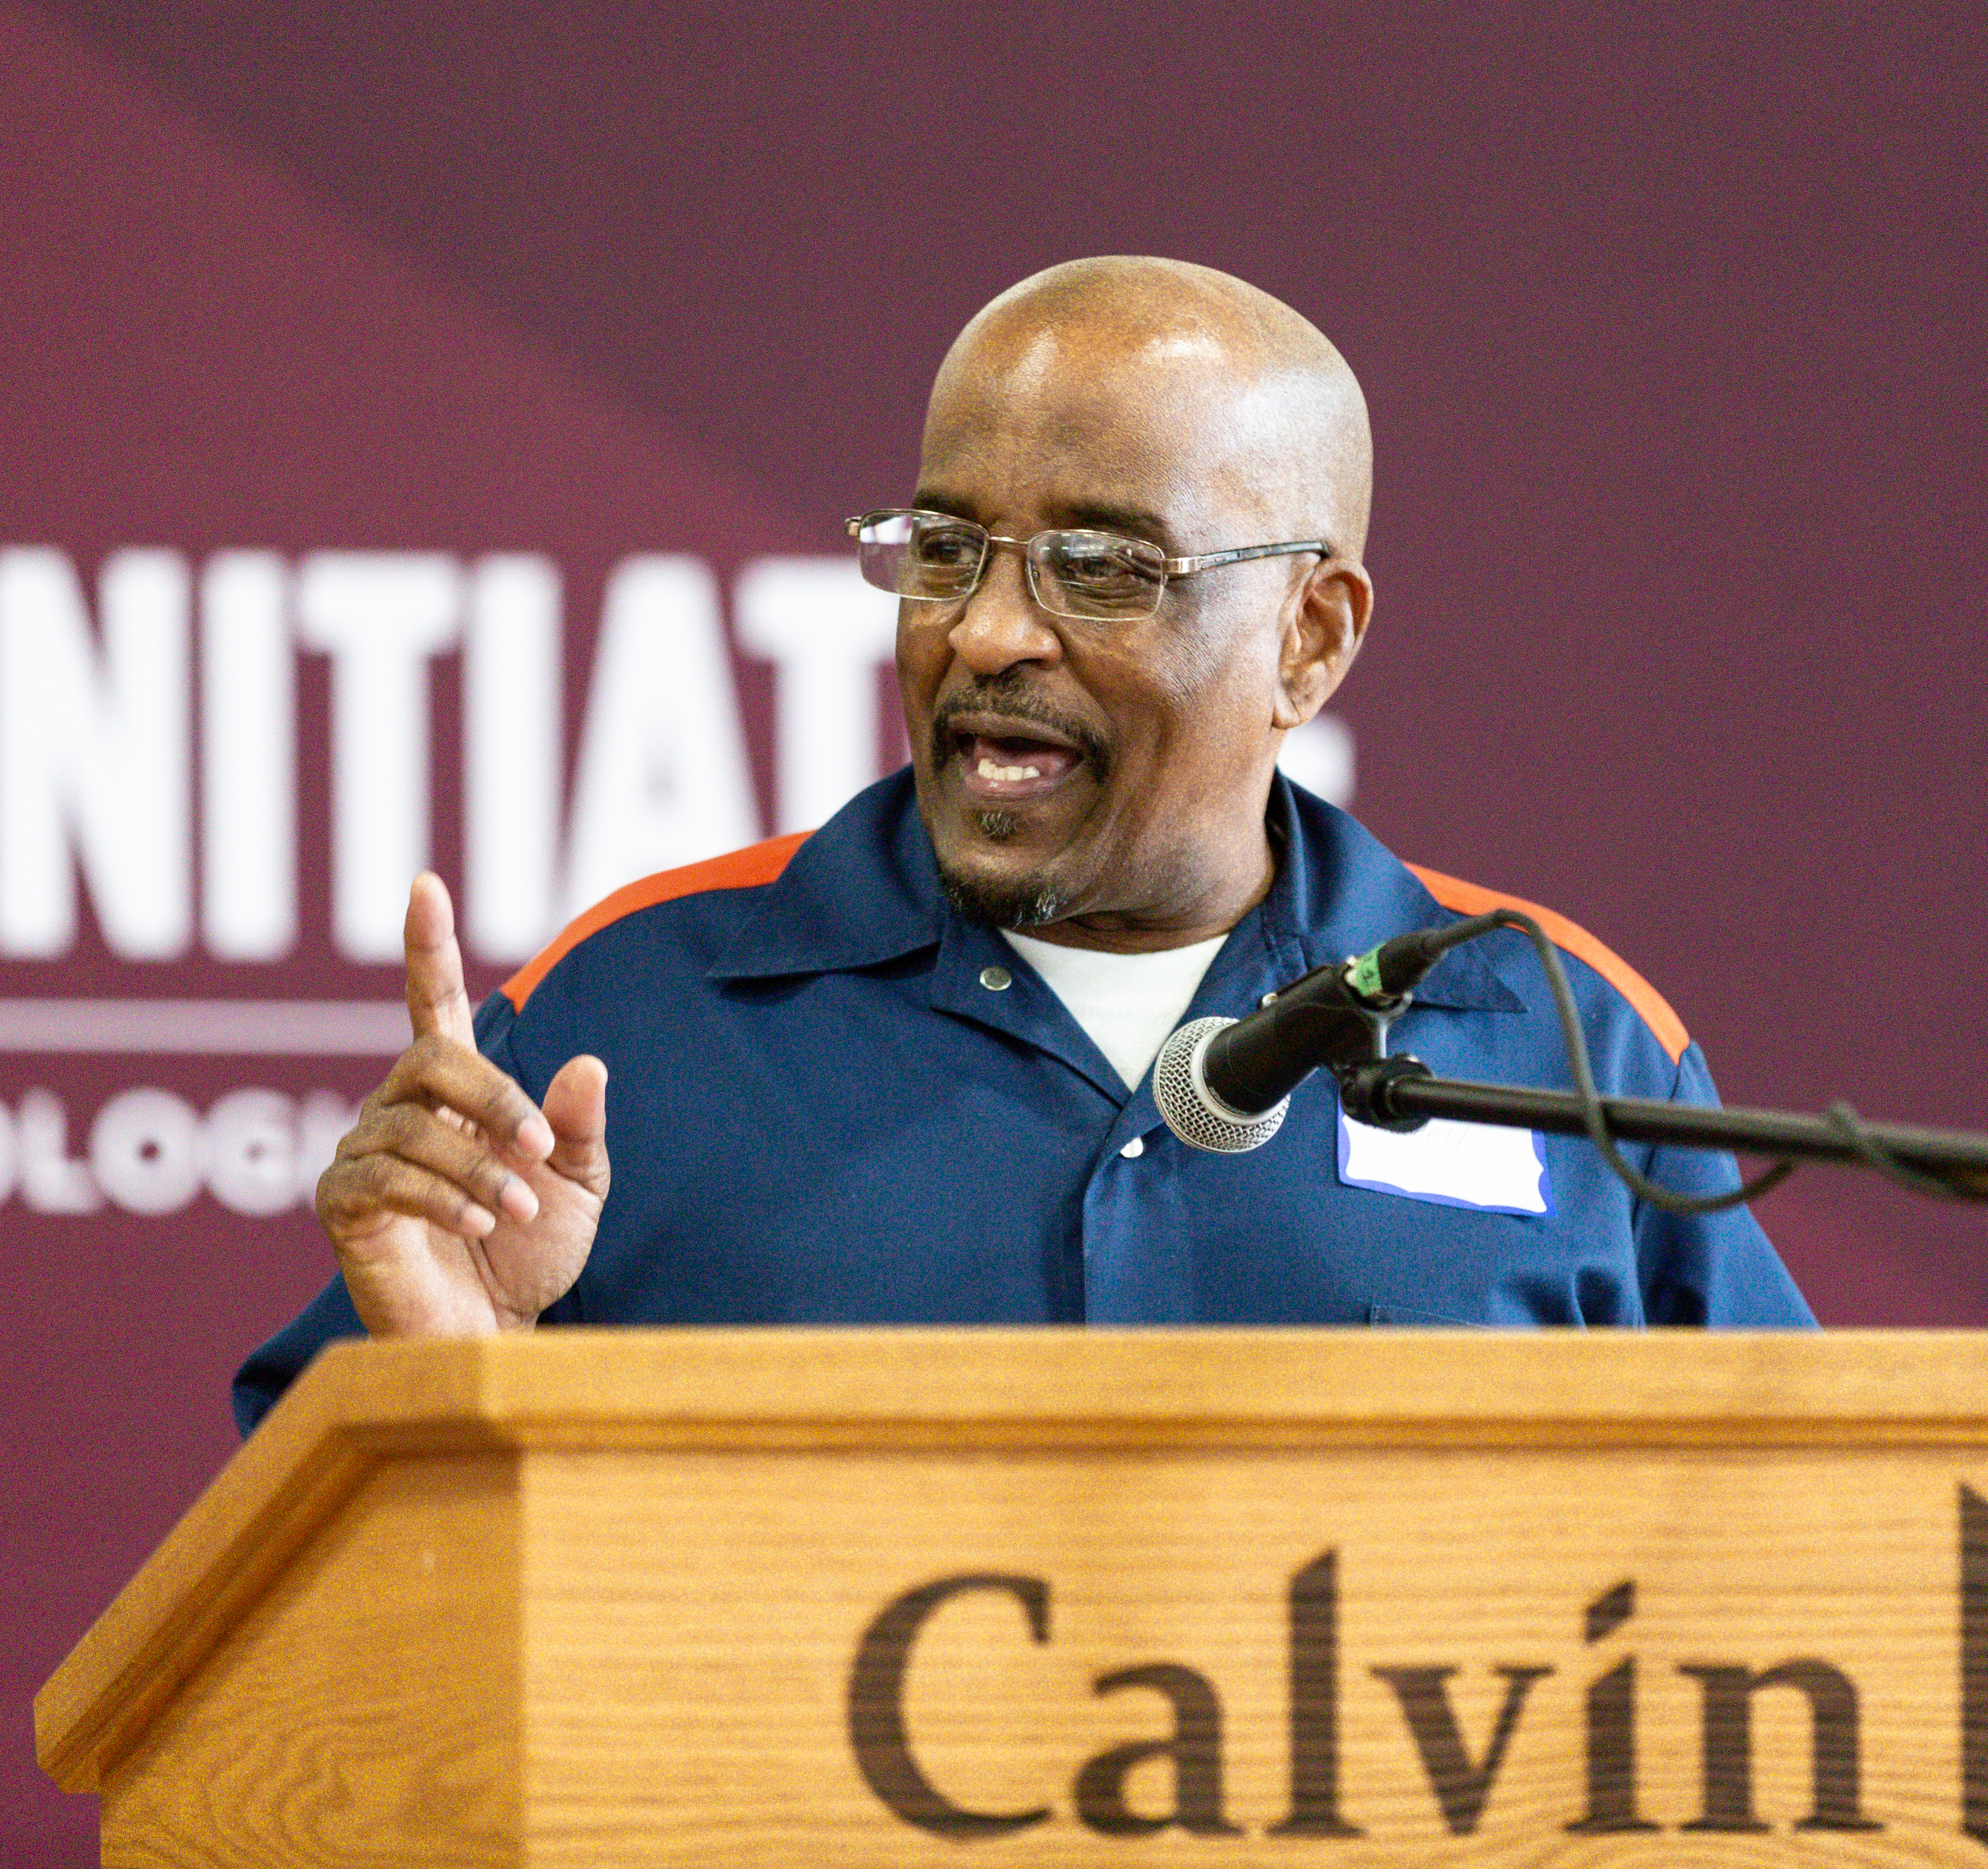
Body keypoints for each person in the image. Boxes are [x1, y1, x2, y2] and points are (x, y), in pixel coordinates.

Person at [234, 257, 1810, 1432]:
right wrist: (448, 1388)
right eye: (944, 550)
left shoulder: (1561, 1039)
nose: (986, 631)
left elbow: (1811, 1579)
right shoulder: (630, 1021)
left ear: (1310, 639)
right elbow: (286, 1675)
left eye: (1099, 567)